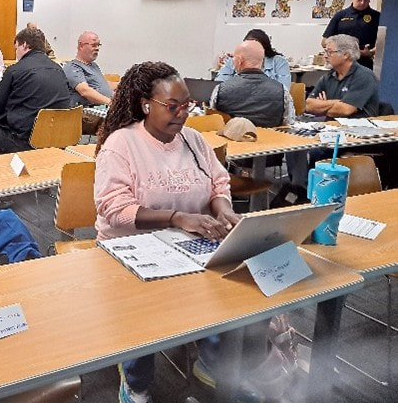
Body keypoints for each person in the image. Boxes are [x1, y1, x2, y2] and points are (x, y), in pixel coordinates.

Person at [94, 61, 239, 402]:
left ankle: (211, 361)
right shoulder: (122, 144)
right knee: (145, 314)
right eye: (172, 106)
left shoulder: (193, 140)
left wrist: (224, 210)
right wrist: (177, 218)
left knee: (230, 292)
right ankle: (136, 382)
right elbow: (114, 209)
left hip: (187, 244)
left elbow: (218, 184)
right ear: (146, 105)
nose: (182, 114)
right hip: (129, 248)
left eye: (187, 105)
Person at [0, 27, 69, 157]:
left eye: (16, 48)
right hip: (58, 138)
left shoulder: (15, 71)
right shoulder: (59, 70)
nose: (16, 53)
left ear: (24, 45)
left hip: (24, 139)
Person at [209, 40, 294, 127]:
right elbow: (288, 124)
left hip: (232, 135)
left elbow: (213, 121)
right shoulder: (282, 91)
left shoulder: (220, 90)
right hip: (271, 135)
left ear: (239, 61)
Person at [306, 34, 379, 119]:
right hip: (330, 125)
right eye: (325, 51)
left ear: (345, 55)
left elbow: (345, 110)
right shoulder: (327, 77)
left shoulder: (364, 76)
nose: (325, 56)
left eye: (330, 52)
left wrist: (322, 107)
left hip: (356, 125)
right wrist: (336, 103)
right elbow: (308, 105)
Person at [322, 0, 380, 70]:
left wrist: (371, 52)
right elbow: (324, 41)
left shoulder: (377, 17)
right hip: (341, 64)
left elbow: (386, 42)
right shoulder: (340, 15)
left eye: (366, 0)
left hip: (364, 66)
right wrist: (345, 50)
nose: (362, 3)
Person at [215, 28, 291, 88]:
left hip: (269, 101)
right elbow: (219, 87)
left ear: (264, 48)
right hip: (237, 101)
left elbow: (283, 91)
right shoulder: (233, 61)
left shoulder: (279, 62)